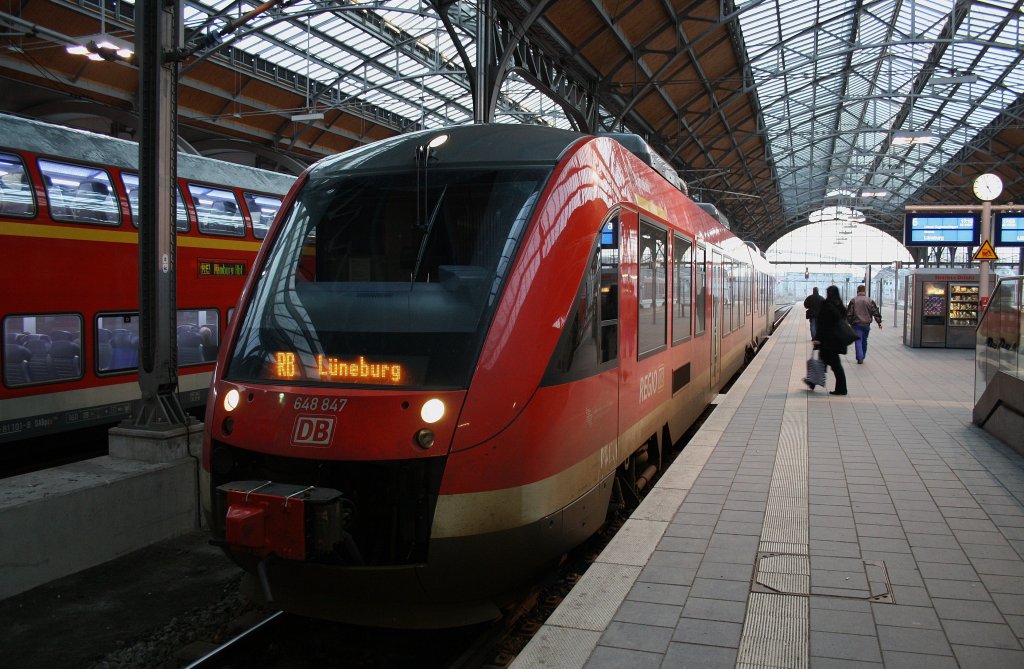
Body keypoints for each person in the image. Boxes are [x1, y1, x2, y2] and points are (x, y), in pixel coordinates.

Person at [812, 285, 848, 396]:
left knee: (833, 365)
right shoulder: (841, 307)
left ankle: (841, 389)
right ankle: (812, 382)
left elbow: (822, 324)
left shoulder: (826, 305)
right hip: (837, 340)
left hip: (827, 341)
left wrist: (817, 338)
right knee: (828, 363)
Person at [847, 285, 882, 364]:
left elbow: (849, 313)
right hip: (866, 324)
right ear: (864, 291)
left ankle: (860, 357)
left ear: (857, 291)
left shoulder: (853, 300)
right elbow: (875, 312)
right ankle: (863, 355)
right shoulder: (869, 300)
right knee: (864, 340)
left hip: (857, 324)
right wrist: (879, 322)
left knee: (858, 340)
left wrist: (849, 322)